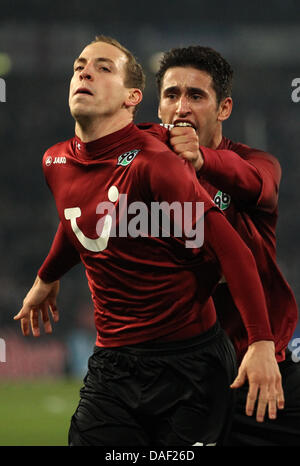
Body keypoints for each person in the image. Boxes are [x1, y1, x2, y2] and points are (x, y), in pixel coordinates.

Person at [15, 36, 283, 446]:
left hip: (191, 365)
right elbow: (82, 223)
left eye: (104, 68)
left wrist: (261, 341)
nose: (84, 72)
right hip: (113, 364)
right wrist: (46, 277)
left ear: (131, 97)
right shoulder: (56, 160)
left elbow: (233, 248)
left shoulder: (157, 162)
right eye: (79, 65)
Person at [153, 45, 300, 446]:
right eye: (171, 95)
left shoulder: (257, 163)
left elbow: (259, 185)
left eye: (196, 96)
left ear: (224, 108)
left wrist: (202, 160)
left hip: (263, 365)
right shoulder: (141, 173)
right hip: (181, 377)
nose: (181, 107)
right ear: (158, 106)